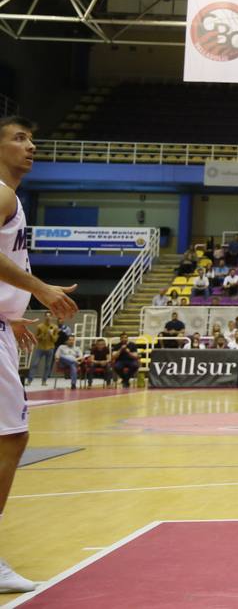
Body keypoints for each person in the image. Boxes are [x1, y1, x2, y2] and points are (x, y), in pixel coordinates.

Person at [0, 116, 79, 590]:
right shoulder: (3, 193)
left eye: (32, 138)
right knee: (11, 439)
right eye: (18, 138)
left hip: (3, 325)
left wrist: (11, 312)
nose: (30, 146)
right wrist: (40, 289)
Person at [24, 314, 56, 386]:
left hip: (50, 348)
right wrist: (42, 334)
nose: (48, 317)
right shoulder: (40, 326)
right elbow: (36, 338)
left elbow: (55, 339)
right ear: (44, 317)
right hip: (40, 348)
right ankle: (29, 380)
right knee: (34, 364)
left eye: (50, 316)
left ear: (52, 317)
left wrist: (51, 334)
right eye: (47, 316)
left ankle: (44, 381)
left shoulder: (54, 327)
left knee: (48, 366)